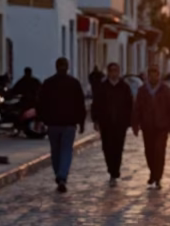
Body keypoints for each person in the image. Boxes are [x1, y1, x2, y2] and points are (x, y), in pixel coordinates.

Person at [37, 57, 86, 193]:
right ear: (67, 67)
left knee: (55, 151)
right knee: (66, 150)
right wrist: (81, 122)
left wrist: (40, 120)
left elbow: (41, 103)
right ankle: (62, 175)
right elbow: (80, 104)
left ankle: (59, 174)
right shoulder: (74, 83)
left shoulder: (48, 83)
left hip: (53, 123)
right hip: (69, 123)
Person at [132, 65, 170, 189]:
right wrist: (135, 124)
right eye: (151, 74)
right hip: (147, 126)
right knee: (149, 152)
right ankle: (153, 173)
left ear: (159, 75)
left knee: (159, 151)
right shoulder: (142, 90)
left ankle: (157, 177)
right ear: (148, 75)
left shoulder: (165, 90)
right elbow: (137, 108)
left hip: (162, 126)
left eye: (155, 74)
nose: (153, 77)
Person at [91, 61, 134, 187]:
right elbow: (96, 104)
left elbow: (129, 105)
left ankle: (115, 171)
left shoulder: (124, 87)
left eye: (116, 70)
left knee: (118, 148)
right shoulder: (102, 87)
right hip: (106, 123)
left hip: (120, 124)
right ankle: (111, 169)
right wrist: (96, 120)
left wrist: (129, 120)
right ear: (108, 72)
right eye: (112, 70)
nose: (114, 73)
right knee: (107, 148)